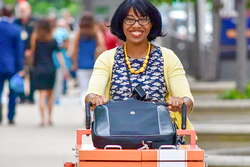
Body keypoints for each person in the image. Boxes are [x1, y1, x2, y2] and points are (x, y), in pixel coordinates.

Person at [85, 0, 194, 133]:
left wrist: (180, 102)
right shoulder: (107, 58)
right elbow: (91, 94)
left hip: (160, 136)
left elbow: (187, 101)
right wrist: (94, 98)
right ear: (121, 23)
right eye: (129, 20)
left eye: (143, 20)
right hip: (117, 135)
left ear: (152, 23)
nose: (136, 25)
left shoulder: (168, 57)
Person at [28, 18, 68, 126]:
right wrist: (64, 68)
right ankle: (50, 118)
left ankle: (42, 119)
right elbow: (59, 54)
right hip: (50, 69)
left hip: (38, 69)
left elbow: (30, 53)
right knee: (50, 95)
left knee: (41, 95)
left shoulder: (34, 39)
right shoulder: (52, 40)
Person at [72, 13, 105, 106]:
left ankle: (85, 109)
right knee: (95, 90)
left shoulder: (79, 34)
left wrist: (74, 63)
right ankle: (92, 112)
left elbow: (74, 50)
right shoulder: (96, 33)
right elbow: (102, 48)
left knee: (84, 90)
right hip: (95, 66)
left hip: (81, 65)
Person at [0, 4, 24, 125]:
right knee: (12, 92)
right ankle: (10, 116)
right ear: (12, 14)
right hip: (12, 66)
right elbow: (19, 51)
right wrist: (20, 68)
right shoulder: (16, 29)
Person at [14, 1, 37, 104]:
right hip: (19, 53)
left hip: (31, 53)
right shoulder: (16, 22)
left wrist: (31, 50)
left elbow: (36, 37)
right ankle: (21, 96)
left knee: (32, 74)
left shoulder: (34, 22)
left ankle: (31, 97)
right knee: (20, 74)